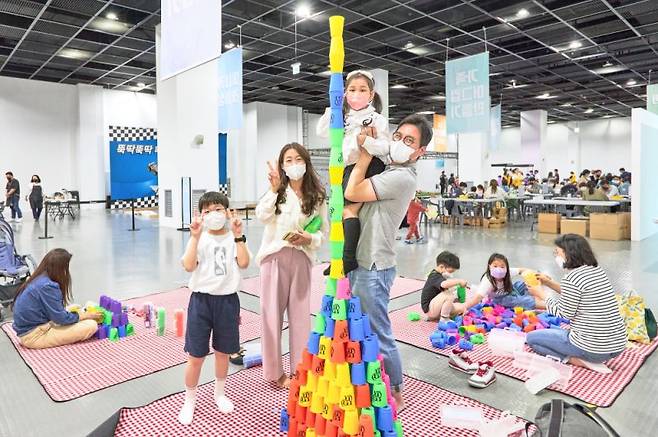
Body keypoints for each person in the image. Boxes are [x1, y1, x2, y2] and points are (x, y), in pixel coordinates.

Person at [344, 113, 432, 410]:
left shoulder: (400, 176)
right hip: (363, 261)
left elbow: (352, 192)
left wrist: (366, 152)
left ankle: (395, 392)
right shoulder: (388, 169)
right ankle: (372, 383)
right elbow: (350, 203)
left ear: (421, 152)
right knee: (365, 327)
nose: (400, 144)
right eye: (398, 137)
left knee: (379, 331)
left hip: (374, 265)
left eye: (410, 141)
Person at [256, 143, 327, 389]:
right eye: (288, 160)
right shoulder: (278, 191)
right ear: (282, 166)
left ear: (306, 163)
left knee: (300, 318)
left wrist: (309, 238)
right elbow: (262, 215)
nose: (294, 164)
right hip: (274, 258)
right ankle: (274, 374)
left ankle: (300, 371)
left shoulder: (316, 196)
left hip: (302, 259)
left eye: (298, 159)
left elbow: (323, 232)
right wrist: (274, 189)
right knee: (271, 316)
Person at [178, 192, 250, 424]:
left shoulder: (233, 237)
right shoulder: (199, 239)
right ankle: (190, 400)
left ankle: (219, 394)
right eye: (207, 211)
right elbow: (189, 266)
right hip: (201, 302)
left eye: (218, 209)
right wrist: (194, 237)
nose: (213, 214)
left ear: (228, 212)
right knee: (196, 356)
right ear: (201, 215)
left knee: (223, 352)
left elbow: (245, 263)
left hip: (227, 302)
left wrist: (239, 236)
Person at [317, 70, 388, 276]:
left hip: (369, 165)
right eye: (352, 90)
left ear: (371, 94)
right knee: (338, 213)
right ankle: (339, 258)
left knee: (349, 211)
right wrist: (334, 107)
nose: (357, 94)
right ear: (345, 93)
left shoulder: (376, 119)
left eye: (362, 90)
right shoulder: (342, 116)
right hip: (345, 168)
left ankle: (347, 259)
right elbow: (322, 132)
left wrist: (367, 142)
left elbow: (384, 147)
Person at [526, 234, 626, 370]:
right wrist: (549, 283)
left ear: (570, 254)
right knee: (550, 336)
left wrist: (541, 294)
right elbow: (575, 295)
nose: (556, 257)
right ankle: (584, 356)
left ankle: (575, 360)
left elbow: (564, 313)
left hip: (593, 349)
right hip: (618, 345)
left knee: (532, 339)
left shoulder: (572, 278)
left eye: (558, 253)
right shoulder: (596, 271)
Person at [11, 249, 102, 349]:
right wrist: (85, 316)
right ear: (60, 268)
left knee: (75, 308)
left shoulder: (40, 278)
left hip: (34, 327)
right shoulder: (48, 286)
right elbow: (61, 319)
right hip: (35, 336)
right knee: (91, 325)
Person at [463, 253, 544, 311]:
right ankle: (545, 305)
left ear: (506, 267)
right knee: (521, 301)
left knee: (524, 283)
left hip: (510, 291)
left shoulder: (507, 272)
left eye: (502, 266)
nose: (499, 269)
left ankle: (536, 297)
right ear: (489, 266)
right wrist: (464, 307)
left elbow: (522, 270)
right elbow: (477, 298)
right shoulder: (488, 280)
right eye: (495, 266)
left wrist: (534, 274)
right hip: (500, 299)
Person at [420, 251, 468, 321]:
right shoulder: (434, 276)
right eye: (450, 272)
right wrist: (459, 281)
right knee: (449, 294)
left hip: (436, 307)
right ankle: (444, 318)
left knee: (461, 307)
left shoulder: (439, 276)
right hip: (430, 309)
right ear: (441, 267)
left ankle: (443, 315)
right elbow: (444, 284)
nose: (451, 274)